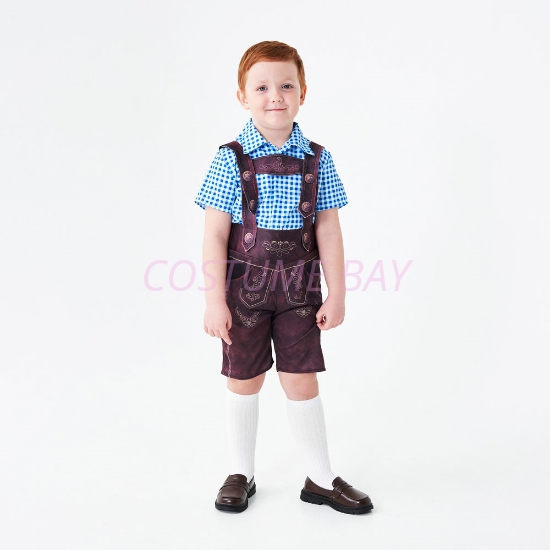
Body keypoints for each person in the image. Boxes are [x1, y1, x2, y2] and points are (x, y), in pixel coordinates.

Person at [194, 41, 373, 515]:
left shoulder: (318, 158)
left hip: (300, 293)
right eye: (262, 87)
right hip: (242, 293)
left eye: (286, 85)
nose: (276, 95)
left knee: (301, 379)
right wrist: (215, 302)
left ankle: (319, 477)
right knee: (244, 378)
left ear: (303, 92)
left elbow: (329, 229)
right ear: (243, 97)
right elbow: (214, 235)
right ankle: (240, 472)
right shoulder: (229, 159)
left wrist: (339, 293)